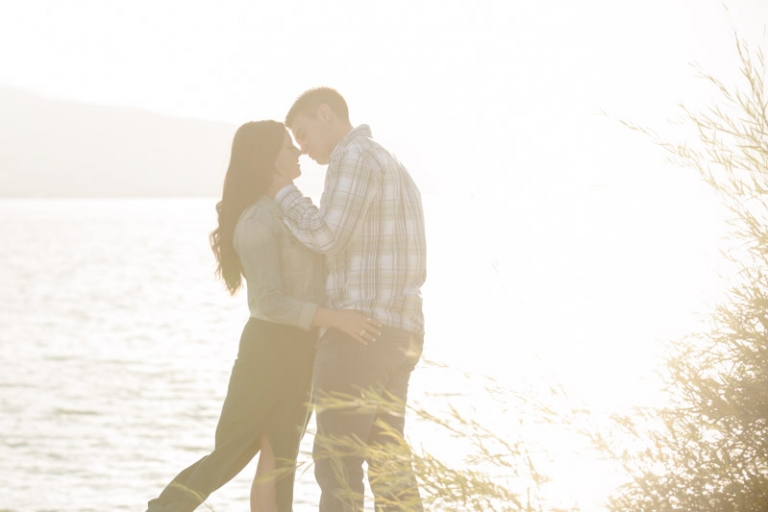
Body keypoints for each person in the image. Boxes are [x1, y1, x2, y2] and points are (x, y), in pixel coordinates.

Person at [146, 120, 382, 512]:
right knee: (231, 453)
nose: (299, 152)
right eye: (290, 147)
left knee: (280, 459)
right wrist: (336, 319)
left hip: (301, 350)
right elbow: (269, 302)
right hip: (267, 351)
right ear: (271, 161)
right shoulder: (256, 221)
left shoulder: (296, 212)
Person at [267, 87, 427, 512]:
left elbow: (327, 235)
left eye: (304, 133)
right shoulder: (391, 162)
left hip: (360, 335)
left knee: (337, 466)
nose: (302, 147)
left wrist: (284, 193)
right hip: (400, 334)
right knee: (389, 463)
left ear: (326, 114)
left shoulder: (351, 158)